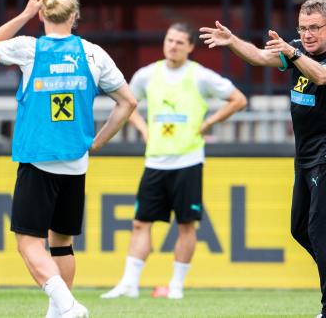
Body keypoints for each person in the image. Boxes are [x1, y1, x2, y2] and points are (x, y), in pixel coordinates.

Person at [199, 0, 326, 318]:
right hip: (305, 153)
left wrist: (294, 53)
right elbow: (261, 57)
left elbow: (320, 76)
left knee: (320, 233)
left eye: (314, 28)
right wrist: (233, 41)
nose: (307, 34)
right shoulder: (296, 50)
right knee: (300, 229)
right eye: (302, 28)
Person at [0, 0, 136, 318]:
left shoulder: (30, 49)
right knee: (61, 243)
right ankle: (59, 313)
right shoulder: (94, 54)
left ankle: (68, 306)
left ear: (42, 15)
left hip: (39, 158)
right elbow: (128, 103)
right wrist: (99, 141)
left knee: (28, 242)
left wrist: (22, 15)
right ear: (75, 17)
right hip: (76, 161)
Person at [101, 22, 247, 300]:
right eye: (170, 40)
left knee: (186, 226)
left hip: (188, 161)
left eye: (180, 42)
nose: (173, 45)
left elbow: (238, 99)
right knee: (140, 224)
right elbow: (126, 103)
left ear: (191, 47)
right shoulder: (147, 75)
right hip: (155, 161)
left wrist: (209, 123)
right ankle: (129, 284)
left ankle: (176, 285)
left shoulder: (200, 76)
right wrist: (143, 129)